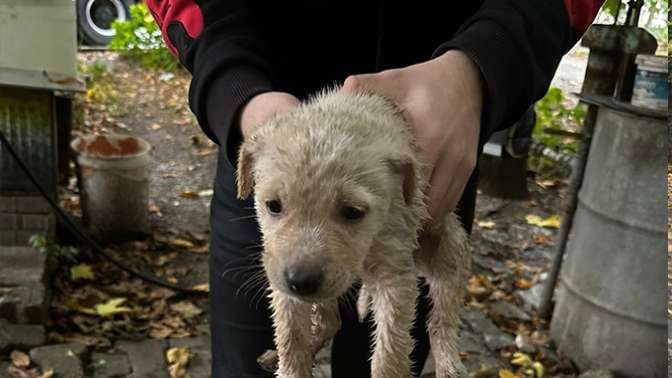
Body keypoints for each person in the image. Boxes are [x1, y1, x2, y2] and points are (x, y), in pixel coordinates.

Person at [146, 1, 603, 376]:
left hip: (433, 138)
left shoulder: (407, 177)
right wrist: (235, 89)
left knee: (397, 342)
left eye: (350, 213)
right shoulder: (257, 162)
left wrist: (483, 63)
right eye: (272, 207)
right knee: (249, 363)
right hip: (267, 128)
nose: (305, 257)